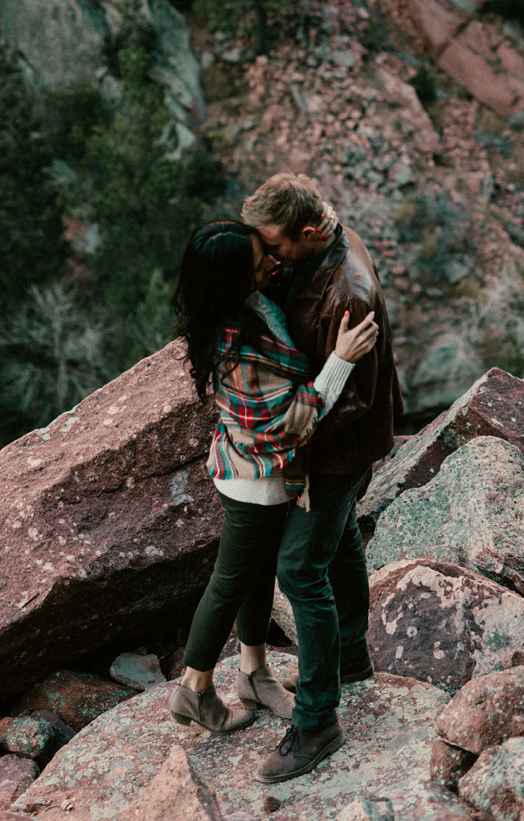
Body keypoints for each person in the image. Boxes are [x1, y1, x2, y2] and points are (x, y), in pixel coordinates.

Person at [167, 219, 380, 735]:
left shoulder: (247, 305)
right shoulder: (238, 341)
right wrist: (340, 361)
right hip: (254, 481)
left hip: (250, 470)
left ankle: (254, 673)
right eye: (260, 260)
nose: (273, 263)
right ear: (232, 279)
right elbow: (290, 424)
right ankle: (193, 688)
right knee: (229, 584)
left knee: (257, 574)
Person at [240, 174, 401, 783]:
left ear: (310, 232)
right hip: (340, 441)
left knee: (298, 567)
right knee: (340, 543)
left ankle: (316, 721)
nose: (270, 259)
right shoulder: (321, 245)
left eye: (275, 247)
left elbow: (349, 402)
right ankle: (352, 656)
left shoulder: (346, 294)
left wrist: (296, 461)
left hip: (336, 448)